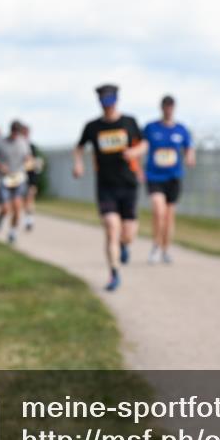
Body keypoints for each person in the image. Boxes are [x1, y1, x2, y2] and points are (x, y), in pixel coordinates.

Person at [73, 84, 146, 291]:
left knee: (128, 233)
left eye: (110, 101)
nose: (107, 106)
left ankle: (124, 245)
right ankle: (114, 273)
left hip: (128, 184)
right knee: (111, 228)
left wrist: (135, 153)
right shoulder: (92, 127)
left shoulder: (129, 122)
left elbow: (144, 144)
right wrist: (78, 164)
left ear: (116, 100)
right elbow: (79, 148)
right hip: (106, 186)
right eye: (103, 101)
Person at [143, 95, 195, 264]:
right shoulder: (151, 128)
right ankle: (156, 246)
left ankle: (166, 249)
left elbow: (189, 148)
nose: (168, 109)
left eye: (171, 106)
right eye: (166, 106)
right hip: (154, 176)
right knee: (159, 212)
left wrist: (189, 157)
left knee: (169, 217)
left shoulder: (181, 129)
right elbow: (142, 146)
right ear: (161, 108)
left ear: (174, 108)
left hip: (173, 177)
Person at [0, 121, 32, 244]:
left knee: (17, 207)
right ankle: (0, 217)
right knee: (5, 208)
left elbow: (28, 158)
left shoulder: (23, 143)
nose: (15, 134)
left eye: (17, 132)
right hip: (4, 178)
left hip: (18, 178)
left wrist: (28, 163)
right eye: (14, 131)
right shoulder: (1, 143)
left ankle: (12, 232)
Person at [21, 124, 42, 232]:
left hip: (30, 177)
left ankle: (30, 220)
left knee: (30, 198)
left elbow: (34, 164)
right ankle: (27, 218)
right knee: (24, 201)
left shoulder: (32, 147)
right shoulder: (18, 146)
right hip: (20, 177)